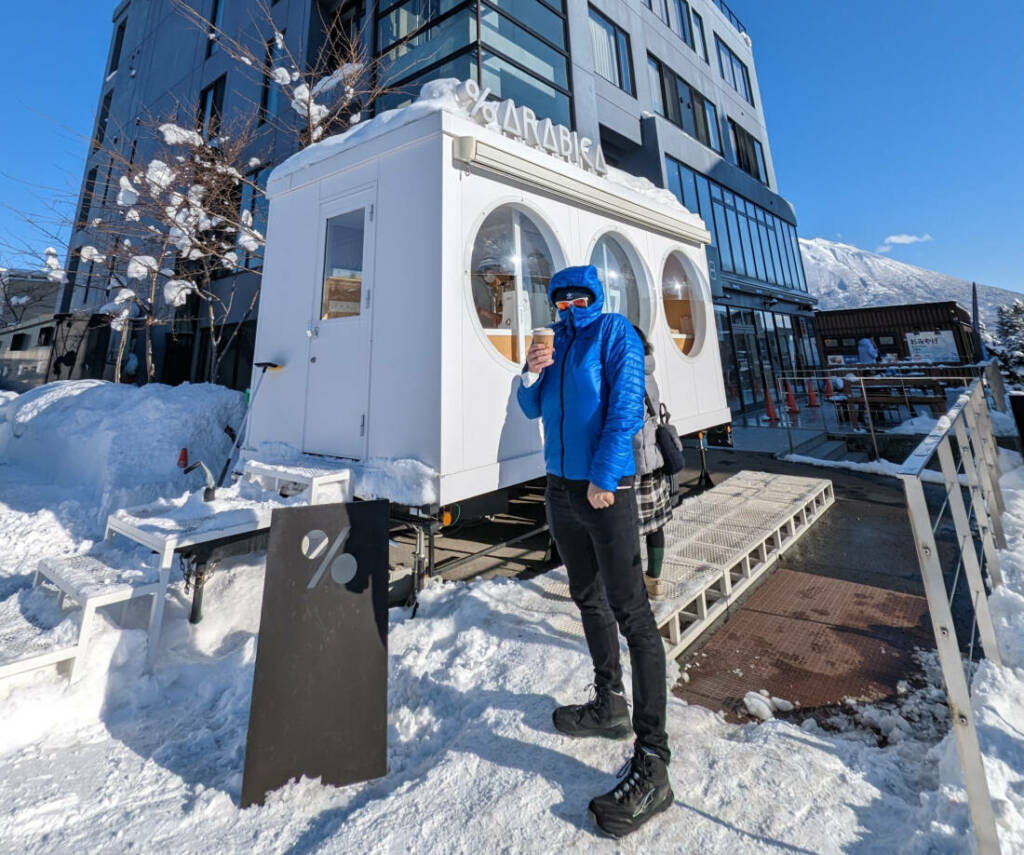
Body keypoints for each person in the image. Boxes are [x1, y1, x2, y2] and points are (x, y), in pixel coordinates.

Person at [517, 265, 672, 838]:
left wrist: (605, 476)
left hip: (605, 491)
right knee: (586, 598)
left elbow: (625, 408)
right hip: (560, 489)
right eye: (561, 297)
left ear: (596, 297)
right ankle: (610, 703)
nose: (569, 303)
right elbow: (533, 412)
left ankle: (653, 759)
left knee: (632, 613)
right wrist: (529, 376)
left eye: (579, 295)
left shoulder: (614, 334)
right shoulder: (556, 343)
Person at [631, 326, 672, 600]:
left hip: (636, 461)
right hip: (655, 460)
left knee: (628, 528)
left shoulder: (628, 375)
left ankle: (633, 585)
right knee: (655, 525)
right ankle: (654, 581)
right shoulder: (648, 370)